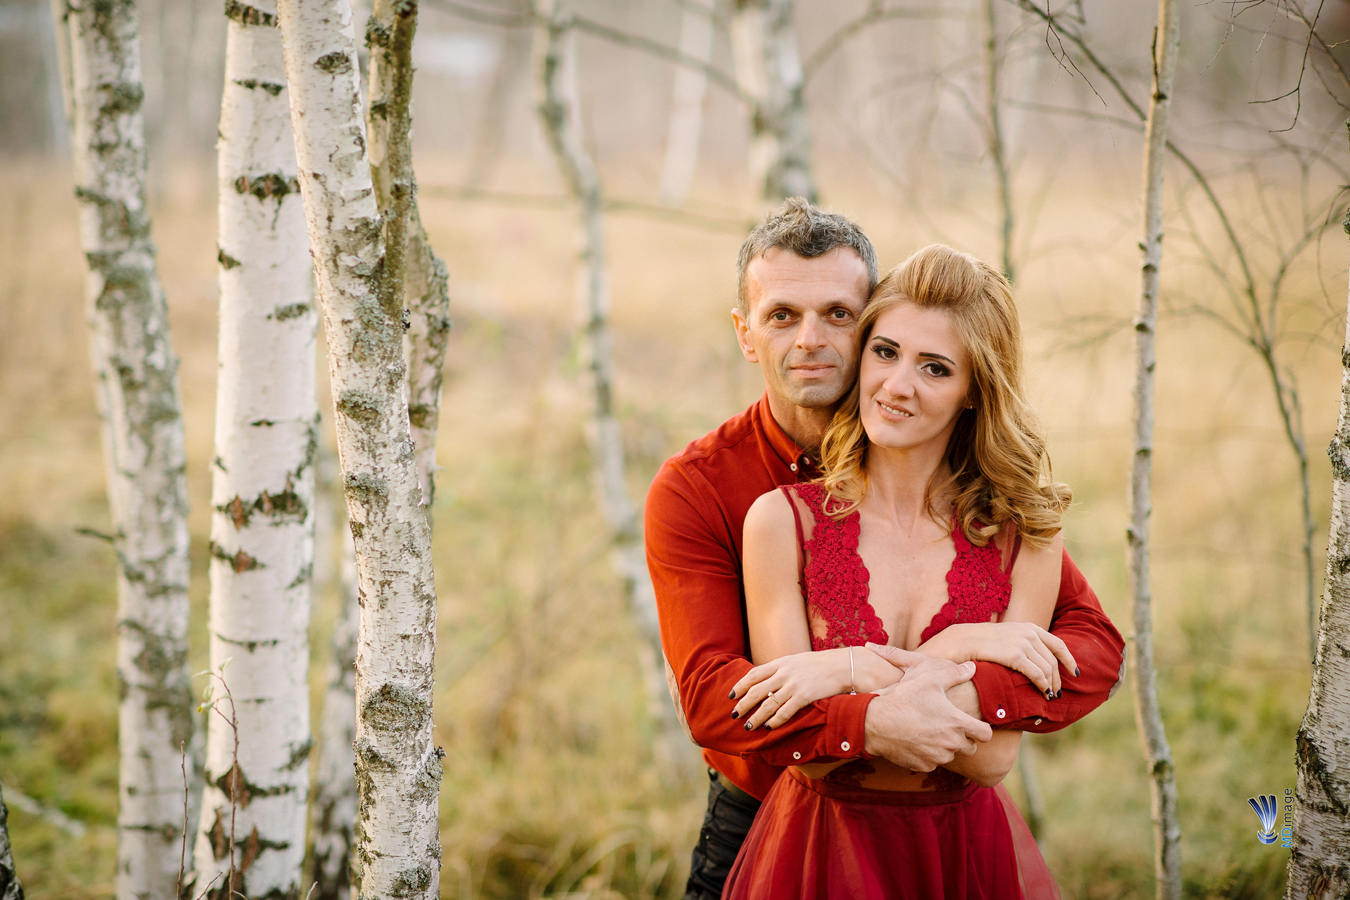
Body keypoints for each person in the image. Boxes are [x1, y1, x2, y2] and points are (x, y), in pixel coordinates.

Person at [644, 199, 1124, 900]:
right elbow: (715, 699)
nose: (811, 339)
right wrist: (876, 701)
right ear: (746, 334)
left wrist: (924, 652)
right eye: (783, 315)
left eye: (838, 314)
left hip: (950, 845)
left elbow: (1089, 645)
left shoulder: (998, 521)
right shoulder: (717, 493)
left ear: (864, 320)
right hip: (770, 818)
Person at [721, 242, 1071, 898]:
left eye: (935, 368)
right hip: (819, 852)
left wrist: (842, 672)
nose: (897, 385)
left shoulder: (1025, 538)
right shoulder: (780, 523)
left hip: (959, 855)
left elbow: (992, 756)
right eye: (885, 352)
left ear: (974, 392)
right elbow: (804, 749)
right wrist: (958, 655)